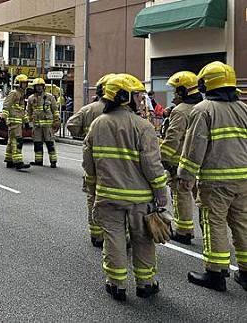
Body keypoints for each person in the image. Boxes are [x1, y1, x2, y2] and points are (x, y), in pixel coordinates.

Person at [83, 74, 167, 301]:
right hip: (140, 200)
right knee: (143, 240)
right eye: (137, 95)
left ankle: (116, 284)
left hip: (108, 197)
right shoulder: (143, 126)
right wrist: (162, 195)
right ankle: (146, 284)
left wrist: (91, 187)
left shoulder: (97, 124)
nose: (141, 99)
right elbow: (153, 166)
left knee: (114, 239)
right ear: (124, 96)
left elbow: (88, 162)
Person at [178, 61, 247, 292]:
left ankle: (215, 274)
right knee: (243, 224)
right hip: (244, 180)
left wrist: (185, 175)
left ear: (205, 84)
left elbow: (194, 146)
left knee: (214, 222)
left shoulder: (203, 109)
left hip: (216, 181)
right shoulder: (244, 108)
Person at [67, 73, 114, 247]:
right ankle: (120, 237)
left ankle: (97, 235)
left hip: (93, 162)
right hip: (118, 165)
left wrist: (83, 136)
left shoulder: (89, 109)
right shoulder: (124, 112)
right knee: (117, 201)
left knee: (93, 197)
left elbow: (71, 124)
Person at [159, 71, 203, 245]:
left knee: (182, 196)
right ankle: (209, 236)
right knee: (203, 201)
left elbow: (172, 139)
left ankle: (184, 231)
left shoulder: (180, 111)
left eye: (176, 90)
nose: (174, 94)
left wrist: (162, 158)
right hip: (202, 163)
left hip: (180, 163)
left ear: (184, 91)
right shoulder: (205, 107)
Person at [26, 78, 60, 167]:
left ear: (43, 87)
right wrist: (28, 123)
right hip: (37, 126)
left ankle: (53, 162)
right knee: (37, 144)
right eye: (37, 86)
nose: (39, 88)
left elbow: (55, 110)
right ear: (34, 87)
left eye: (40, 86)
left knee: (50, 144)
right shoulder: (31, 98)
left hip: (48, 126)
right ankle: (38, 161)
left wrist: (56, 120)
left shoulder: (50, 97)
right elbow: (28, 112)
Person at [2, 74, 30, 170]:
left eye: (26, 83)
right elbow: (6, 106)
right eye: (23, 83)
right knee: (18, 141)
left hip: (17, 122)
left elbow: (22, 110)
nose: (25, 85)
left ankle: (9, 160)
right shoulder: (14, 93)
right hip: (14, 122)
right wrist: (4, 118)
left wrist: (26, 121)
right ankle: (18, 162)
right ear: (18, 84)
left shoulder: (21, 94)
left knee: (11, 141)